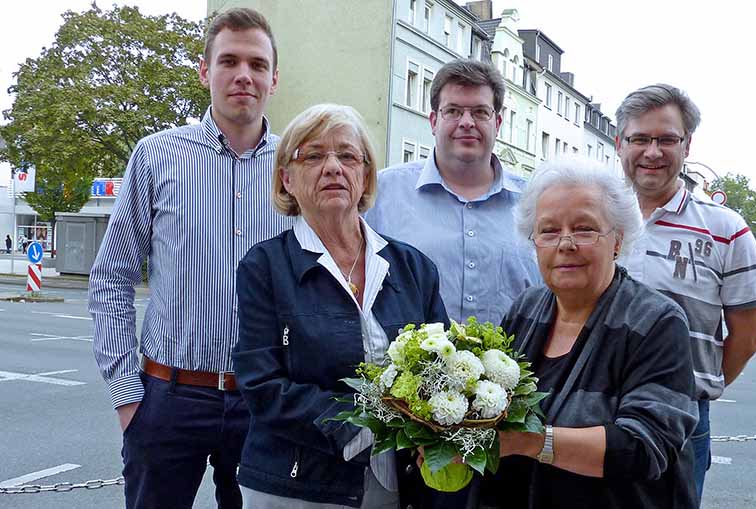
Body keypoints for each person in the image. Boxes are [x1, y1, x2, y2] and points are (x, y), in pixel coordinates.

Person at [88, 8, 292, 508]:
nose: (244, 75)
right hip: (168, 397)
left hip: (264, 401)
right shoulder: (156, 155)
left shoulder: (298, 164)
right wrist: (127, 394)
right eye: (229, 61)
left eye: (257, 64)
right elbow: (112, 275)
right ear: (205, 71)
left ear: (274, 78)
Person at [232, 104, 448, 508]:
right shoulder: (265, 267)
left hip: (397, 485)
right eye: (313, 156)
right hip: (295, 487)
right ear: (287, 179)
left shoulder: (413, 268)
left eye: (348, 156)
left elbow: (444, 370)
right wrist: (360, 426)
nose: (333, 167)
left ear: (365, 175)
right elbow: (261, 383)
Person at [481, 157, 698, 508]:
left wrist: (529, 441)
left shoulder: (655, 321)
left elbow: (646, 446)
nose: (565, 243)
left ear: (617, 240)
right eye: (549, 230)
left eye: (584, 229)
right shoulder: (526, 310)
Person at [615, 84, 756, 503]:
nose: (652, 151)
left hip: (681, 418)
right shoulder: (593, 216)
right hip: (591, 409)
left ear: (687, 145)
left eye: (667, 139)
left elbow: (748, 337)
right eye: (640, 139)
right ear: (619, 142)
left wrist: (690, 387)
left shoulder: (727, 230)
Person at [365, 58, 540, 325]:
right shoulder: (381, 194)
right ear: (434, 121)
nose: (467, 122)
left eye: (481, 112)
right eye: (453, 111)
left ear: (498, 123)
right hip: (405, 365)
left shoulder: (535, 203)